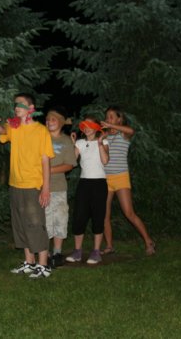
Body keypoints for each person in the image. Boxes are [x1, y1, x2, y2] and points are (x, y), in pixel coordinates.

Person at [0, 93, 55, 278]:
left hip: (33, 185)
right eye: (15, 104)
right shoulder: (15, 127)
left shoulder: (41, 131)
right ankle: (29, 262)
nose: (16, 107)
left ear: (31, 108)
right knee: (20, 224)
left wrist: (45, 188)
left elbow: (46, 161)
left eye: (21, 104)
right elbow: (2, 131)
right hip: (15, 184)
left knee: (36, 224)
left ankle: (43, 265)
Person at [101, 106, 156, 256]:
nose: (108, 119)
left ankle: (148, 241)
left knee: (129, 212)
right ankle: (109, 246)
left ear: (119, 119)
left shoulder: (123, 134)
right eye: (106, 117)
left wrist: (110, 126)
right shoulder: (104, 136)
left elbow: (132, 131)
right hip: (105, 178)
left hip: (121, 177)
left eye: (111, 116)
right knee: (104, 215)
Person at [65, 116, 109, 265]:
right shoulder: (80, 143)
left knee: (98, 216)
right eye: (85, 125)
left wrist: (100, 142)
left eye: (90, 124)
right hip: (84, 183)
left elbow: (105, 161)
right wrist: (73, 144)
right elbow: (72, 162)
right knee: (79, 216)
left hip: (99, 183)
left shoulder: (103, 142)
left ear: (96, 127)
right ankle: (77, 251)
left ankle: (96, 252)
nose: (87, 127)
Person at [44, 106, 77, 268]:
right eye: (47, 119)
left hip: (58, 187)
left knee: (59, 219)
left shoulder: (65, 141)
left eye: (53, 119)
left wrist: (48, 170)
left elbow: (69, 164)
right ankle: (45, 253)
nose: (49, 122)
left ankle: (57, 252)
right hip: (39, 187)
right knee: (44, 221)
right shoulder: (40, 138)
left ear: (61, 122)